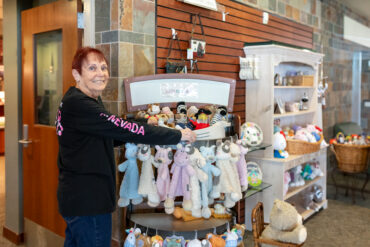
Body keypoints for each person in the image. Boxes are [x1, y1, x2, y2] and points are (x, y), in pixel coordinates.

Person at [56, 47, 196, 247]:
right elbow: (123, 128)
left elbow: (109, 135)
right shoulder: (80, 105)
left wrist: (146, 125)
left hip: (78, 198)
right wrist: (177, 135)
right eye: (92, 68)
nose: (101, 74)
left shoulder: (81, 100)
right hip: (88, 201)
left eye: (103, 68)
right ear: (76, 74)